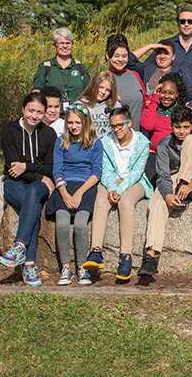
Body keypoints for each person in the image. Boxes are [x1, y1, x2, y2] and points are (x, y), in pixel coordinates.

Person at [83, 107, 153, 281]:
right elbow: (105, 169)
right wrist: (112, 187)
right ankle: (96, 251)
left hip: (135, 182)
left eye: (120, 125)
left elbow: (137, 172)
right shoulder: (106, 142)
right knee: (101, 200)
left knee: (126, 203)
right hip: (111, 181)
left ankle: (125, 256)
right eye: (113, 126)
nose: (116, 129)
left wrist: (120, 190)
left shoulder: (142, 142)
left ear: (129, 123)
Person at [0, 93, 56, 286]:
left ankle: (20, 249)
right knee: (33, 205)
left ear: (44, 113)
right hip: (14, 184)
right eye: (31, 110)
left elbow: (50, 167)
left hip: (38, 187)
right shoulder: (9, 131)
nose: (34, 116)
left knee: (34, 194)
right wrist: (41, 176)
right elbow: (14, 170)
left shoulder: (49, 134)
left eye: (39, 112)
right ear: (22, 108)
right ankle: (29, 264)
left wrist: (27, 168)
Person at [137, 106, 192, 276]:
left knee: (191, 141)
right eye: (177, 127)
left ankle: (184, 183)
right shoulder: (165, 144)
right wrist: (167, 194)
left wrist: (190, 184)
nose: (181, 131)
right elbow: (163, 175)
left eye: (185, 127)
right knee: (157, 203)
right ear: (171, 126)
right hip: (173, 182)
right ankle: (151, 255)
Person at [46, 105, 103, 286]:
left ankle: (82, 267)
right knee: (62, 222)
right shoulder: (61, 141)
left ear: (85, 122)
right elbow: (57, 169)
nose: (73, 126)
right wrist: (63, 192)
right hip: (65, 185)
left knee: (80, 224)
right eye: (70, 122)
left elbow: (96, 172)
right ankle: (66, 267)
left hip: (86, 186)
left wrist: (79, 192)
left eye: (77, 122)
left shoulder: (95, 142)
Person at [144, 8, 192, 111]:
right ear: (178, 24)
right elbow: (146, 67)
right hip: (165, 100)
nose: (186, 24)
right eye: (182, 21)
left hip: (188, 101)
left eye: (190, 22)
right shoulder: (166, 46)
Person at [141, 72, 192, 181]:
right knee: (150, 180)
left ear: (177, 94)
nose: (166, 96)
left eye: (171, 93)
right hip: (155, 153)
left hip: (178, 154)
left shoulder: (184, 112)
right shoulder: (153, 107)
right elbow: (147, 126)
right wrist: (154, 98)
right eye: (163, 92)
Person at [129, 39, 192, 109]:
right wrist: (150, 47)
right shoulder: (146, 69)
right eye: (159, 53)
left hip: (169, 118)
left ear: (173, 57)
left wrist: (188, 109)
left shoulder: (179, 73)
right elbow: (128, 61)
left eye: (166, 53)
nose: (162, 56)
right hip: (148, 115)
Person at [31, 27, 90, 107]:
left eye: (68, 43)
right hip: (52, 116)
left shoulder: (81, 68)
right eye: (61, 43)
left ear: (72, 45)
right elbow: (36, 93)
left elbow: (89, 94)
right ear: (55, 46)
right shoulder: (45, 67)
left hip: (77, 116)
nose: (65, 46)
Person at [106, 33, 148, 131]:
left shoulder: (135, 75)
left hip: (137, 137)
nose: (120, 60)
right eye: (116, 56)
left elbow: (144, 101)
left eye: (124, 56)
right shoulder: (101, 79)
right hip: (114, 137)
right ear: (107, 55)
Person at [75, 71, 121, 138]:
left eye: (108, 90)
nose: (103, 92)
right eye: (101, 87)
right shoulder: (80, 105)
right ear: (94, 85)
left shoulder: (115, 105)